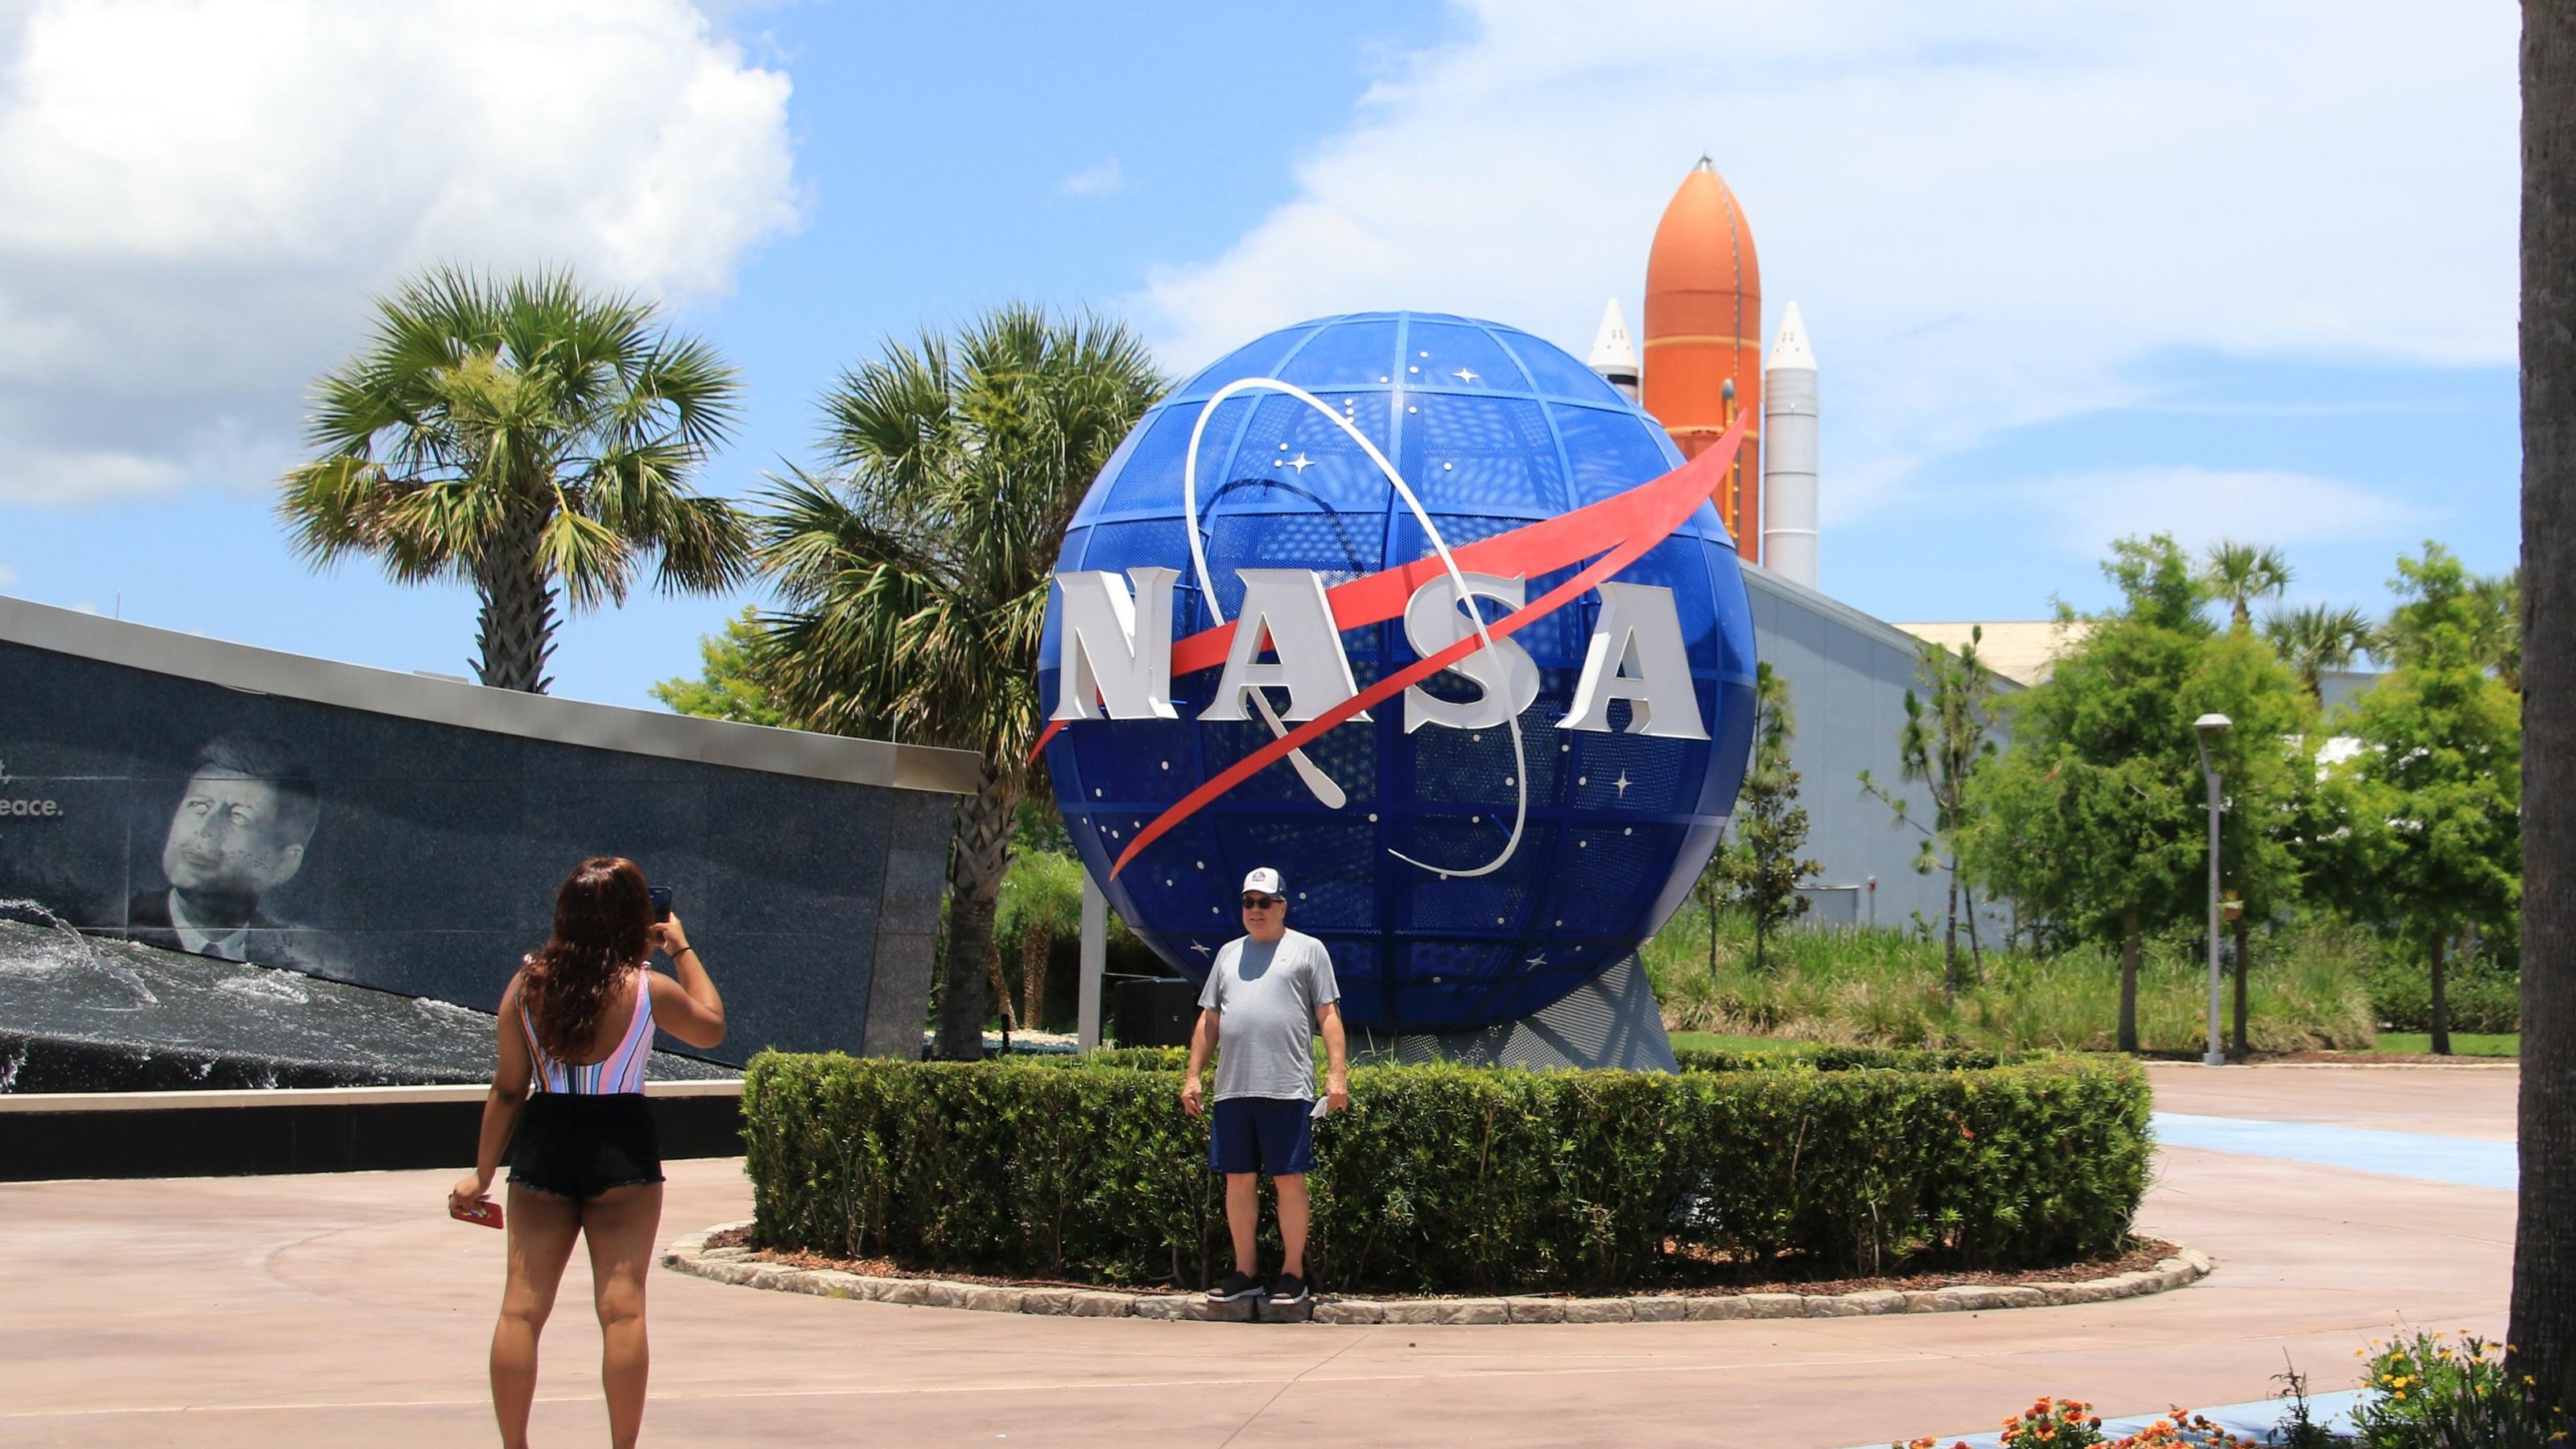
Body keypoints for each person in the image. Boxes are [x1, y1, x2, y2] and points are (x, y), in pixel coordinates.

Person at [449, 857, 725, 1449]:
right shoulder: (647, 988)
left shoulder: (528, 986)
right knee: (623, 1310)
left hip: (546, 1140)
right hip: (622, 1144)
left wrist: (481, 1173)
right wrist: (680, 948)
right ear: (633, 916)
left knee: (521, 1310)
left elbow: (508, 1088)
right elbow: (711, 1028)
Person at [1179, 866, 1349, 1311]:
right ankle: (1246, 1273)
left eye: (1265, 902)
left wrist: (1337, 1074)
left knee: (1288, 1180)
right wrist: (1193, 1075)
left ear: (1282, 906)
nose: (1255, 910)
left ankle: (1292, 1275)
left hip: (1287, 1088)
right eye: (1248, 902)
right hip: (1233, 1090)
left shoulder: (1308, 950)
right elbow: (1210, 1020)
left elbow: (1328, 1015)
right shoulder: (1227, 954)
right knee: (1238, 1180)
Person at [125, 732, 322, 968]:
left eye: (239, 816)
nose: (206, 830)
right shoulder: (111, 925)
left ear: (284, 864)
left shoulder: (301, 961)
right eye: (199, 805)